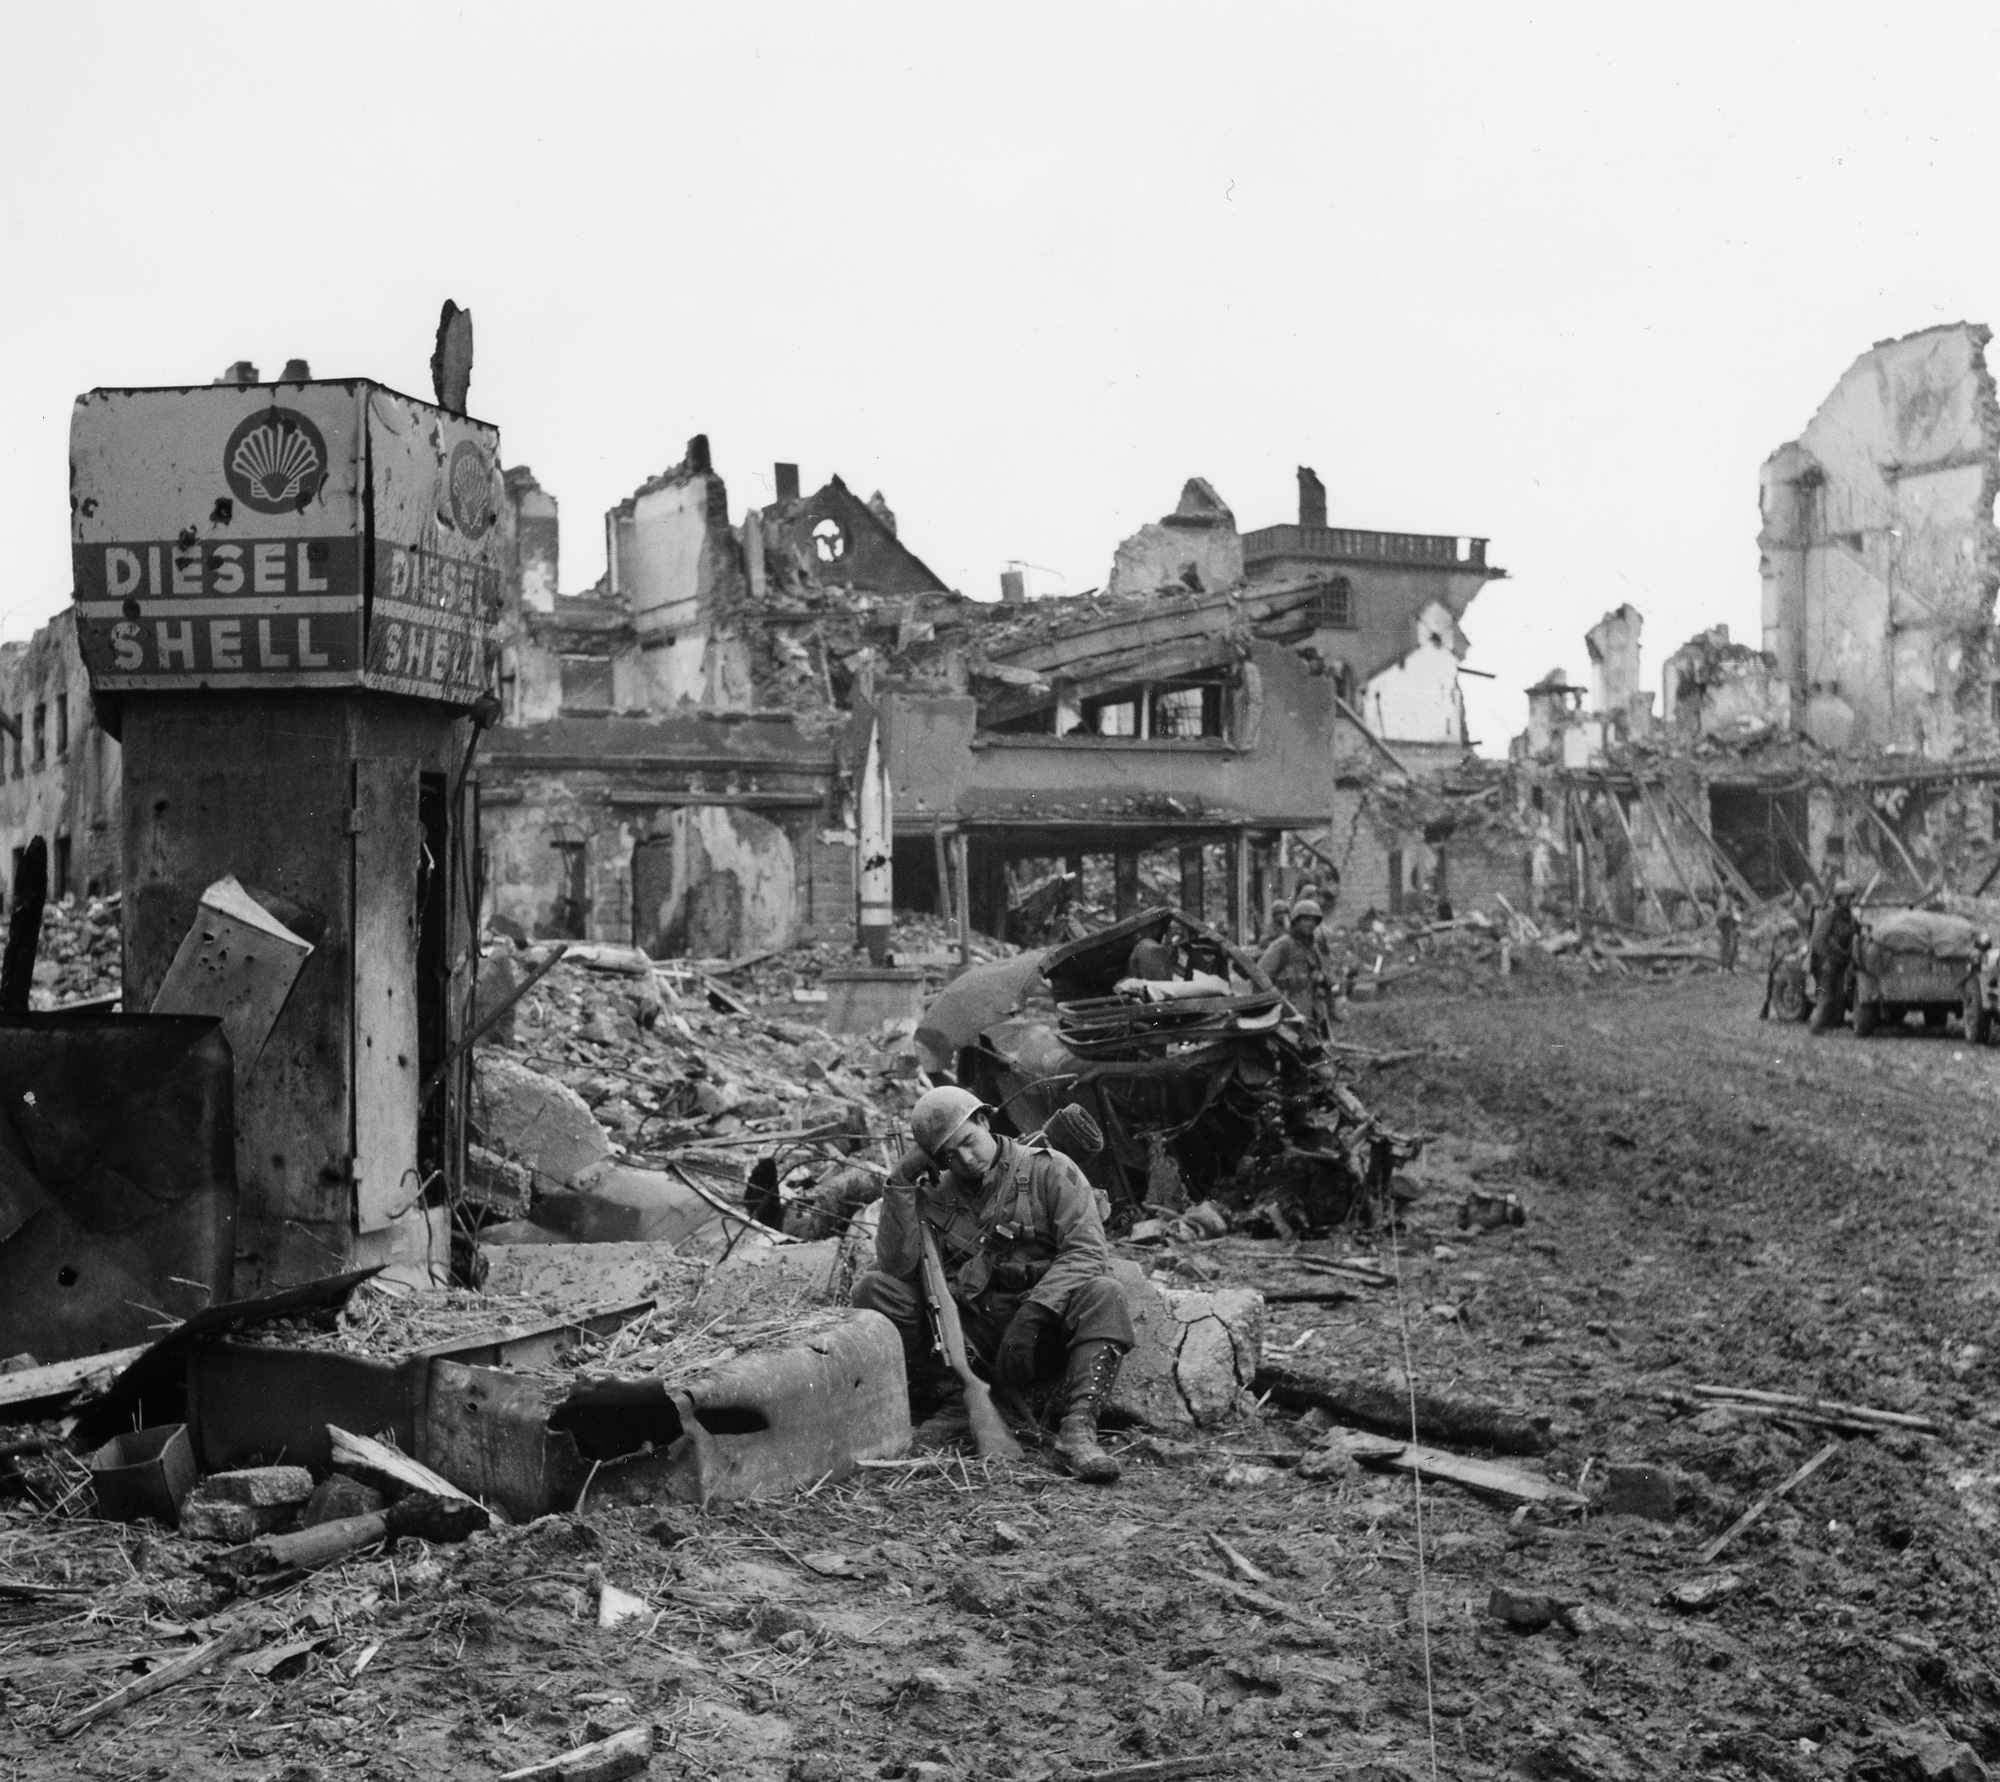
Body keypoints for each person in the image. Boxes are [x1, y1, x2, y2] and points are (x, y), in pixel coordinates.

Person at [851, 1086, 1135, 1484]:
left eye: (969, 1141)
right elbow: (897, 1268)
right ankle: (956, 1403)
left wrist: (1035, 1313)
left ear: (984, 1121)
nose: (966, 1159)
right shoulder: (934, 1193)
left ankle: (1078, 1430)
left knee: (1105, 1293)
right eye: (950, 1155)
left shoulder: (1051, 1170)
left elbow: (1086, 1252)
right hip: (975, 1336)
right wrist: (898, 1184)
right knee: (875, 1290)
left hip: (1041, 1333)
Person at [1258, 897, 1331, 1014]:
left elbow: (1323, 973)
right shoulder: (1283, 945)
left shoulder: (1312, 948)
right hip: (1284, 1009)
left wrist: (1321, 978)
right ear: (1296, 921)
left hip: (1309, 1007)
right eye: (1306, 919)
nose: (1310, 924)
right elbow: (1261, 975)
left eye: (1314, 920)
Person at [1808, 881, 1858, 1032]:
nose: (1848, 901)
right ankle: (1816, 1025)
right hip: (1827, 963)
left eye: (1850, 897)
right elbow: (1817, 940)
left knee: (1839, 996)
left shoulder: (1850, 917)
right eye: (1845, 898)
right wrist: (1826, 958)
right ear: (1838, 899)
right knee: (1825, 994)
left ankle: (1833, 1024)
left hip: (1841, 962)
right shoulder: (1830, 915)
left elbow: (1858, 930)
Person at [1715, 894, 1740, 973]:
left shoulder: (1732, 911)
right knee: (1726, 947)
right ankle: (1723, 966)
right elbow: (1720, 919)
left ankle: (1731, 966)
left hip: (1732, 931)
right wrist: (1731, 914)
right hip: (1726, 931)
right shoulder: (1722, 912)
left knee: (1733, 948)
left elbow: (1737, 921)